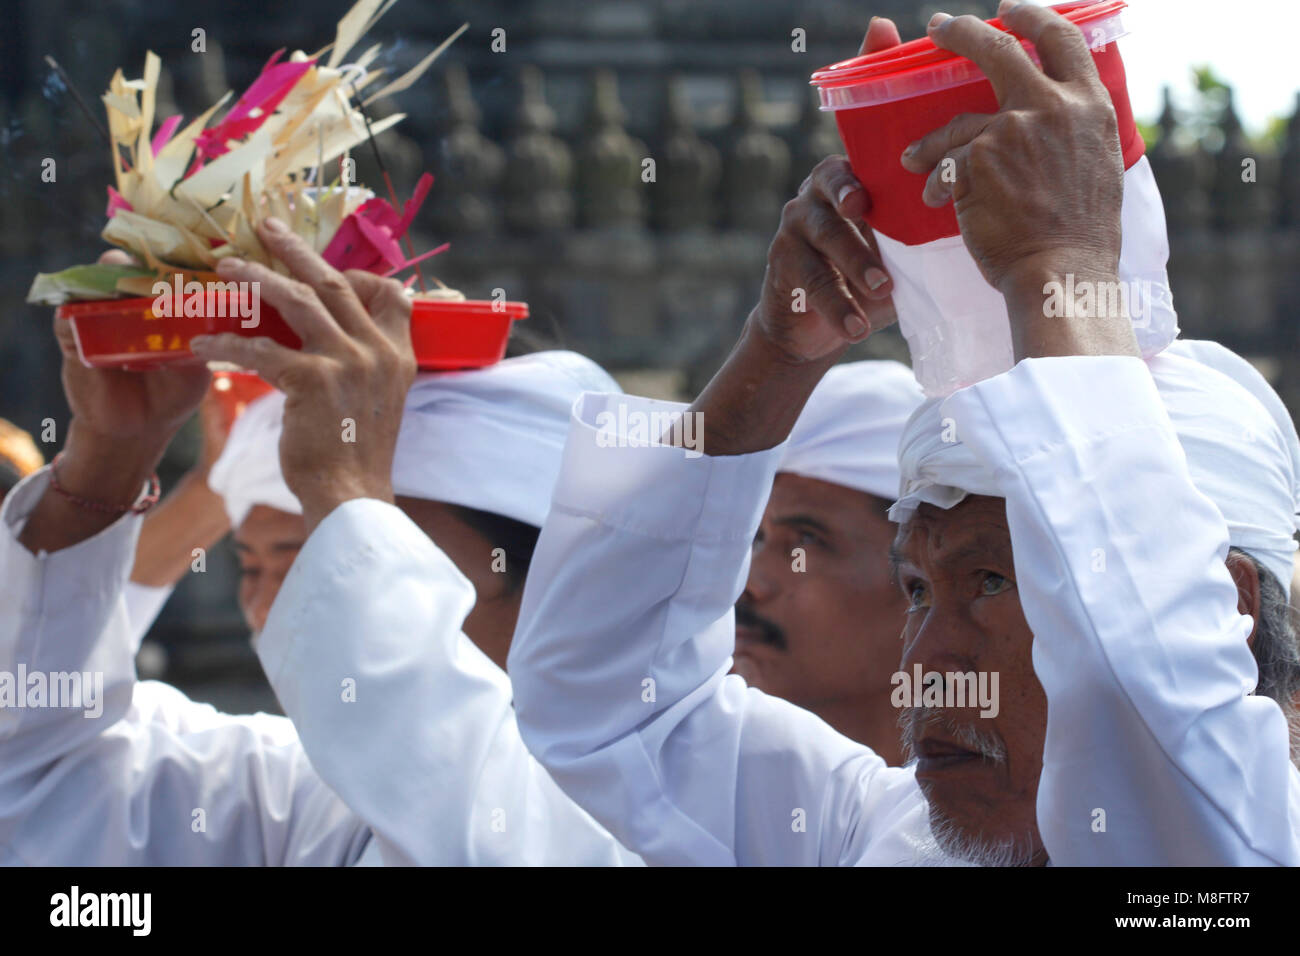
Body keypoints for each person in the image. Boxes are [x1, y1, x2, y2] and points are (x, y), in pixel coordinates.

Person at [505, 2, 1300, 865]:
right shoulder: (876, 837)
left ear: (1227, 612)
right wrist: (778, 351)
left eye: (993, 580)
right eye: (917, 589)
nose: (923, 664)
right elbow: (609, 713)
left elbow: (1147, 690)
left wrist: (1059, 274)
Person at [1, 218, 639, 865]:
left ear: (558, 585)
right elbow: (42, 794)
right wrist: (109, 461)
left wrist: (345, 492)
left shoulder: (664, 809)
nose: (302, 610)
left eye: (399, 558)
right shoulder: (299, 798)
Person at [737, 361, 923, 760]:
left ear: (925, 581)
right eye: (757, 538)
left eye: (806, 541)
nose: (747, 583)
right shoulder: (690, 797)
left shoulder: (1027, 812)